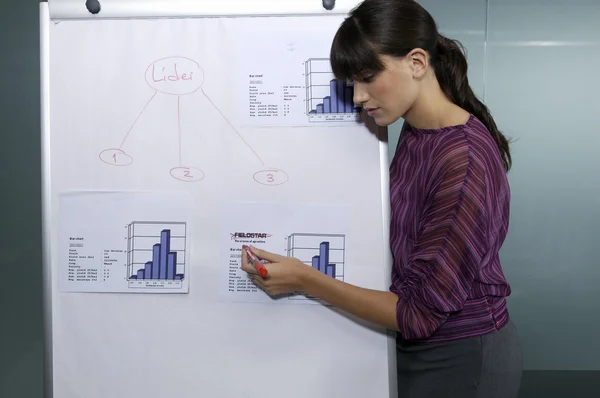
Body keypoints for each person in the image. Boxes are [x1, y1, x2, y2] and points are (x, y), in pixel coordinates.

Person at [241, 0, 523, 396]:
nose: (357, 97)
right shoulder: (418, 131)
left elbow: (418, 312)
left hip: (461, 356)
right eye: (351, 84)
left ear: (417, 62)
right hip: (420, 349)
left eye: (369, 76)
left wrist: (304, 278)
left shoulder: (464, 161)